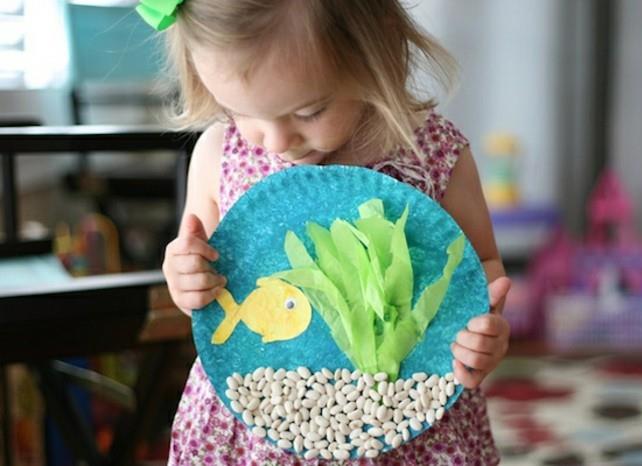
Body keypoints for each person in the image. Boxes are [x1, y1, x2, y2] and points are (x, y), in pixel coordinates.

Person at [149, 1, 511, 464]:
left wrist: (485, 334)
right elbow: (201, 274)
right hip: (260, 424)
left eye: (309, 111)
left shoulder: (434, 154)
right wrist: (184, 278)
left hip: (408, 427)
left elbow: (481, 268)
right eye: (239, 111)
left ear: (370, 54)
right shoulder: (218, 154)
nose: (276, 141)